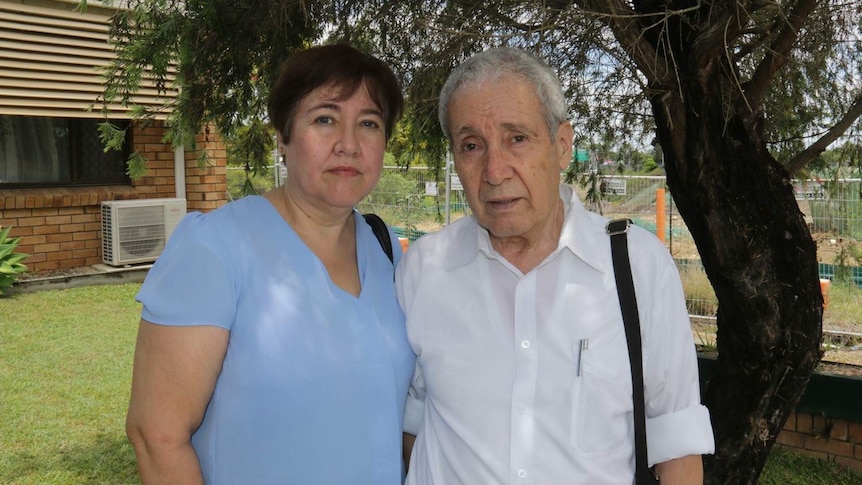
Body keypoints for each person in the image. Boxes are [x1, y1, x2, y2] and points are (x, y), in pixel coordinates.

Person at [398, 47, 715, 484]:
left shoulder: (638, 269)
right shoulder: (423, 271)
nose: (494, 170)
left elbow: (677, 448)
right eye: (471, 145)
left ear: (562, 146)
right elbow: (412, 430)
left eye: (517, 138)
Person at [125, 44, 416, 484]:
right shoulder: (215, 248)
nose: (349, 145)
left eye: (369, 124)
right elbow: (157, 436)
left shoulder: (385, 247)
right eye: (325, 119)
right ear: (283, 137)